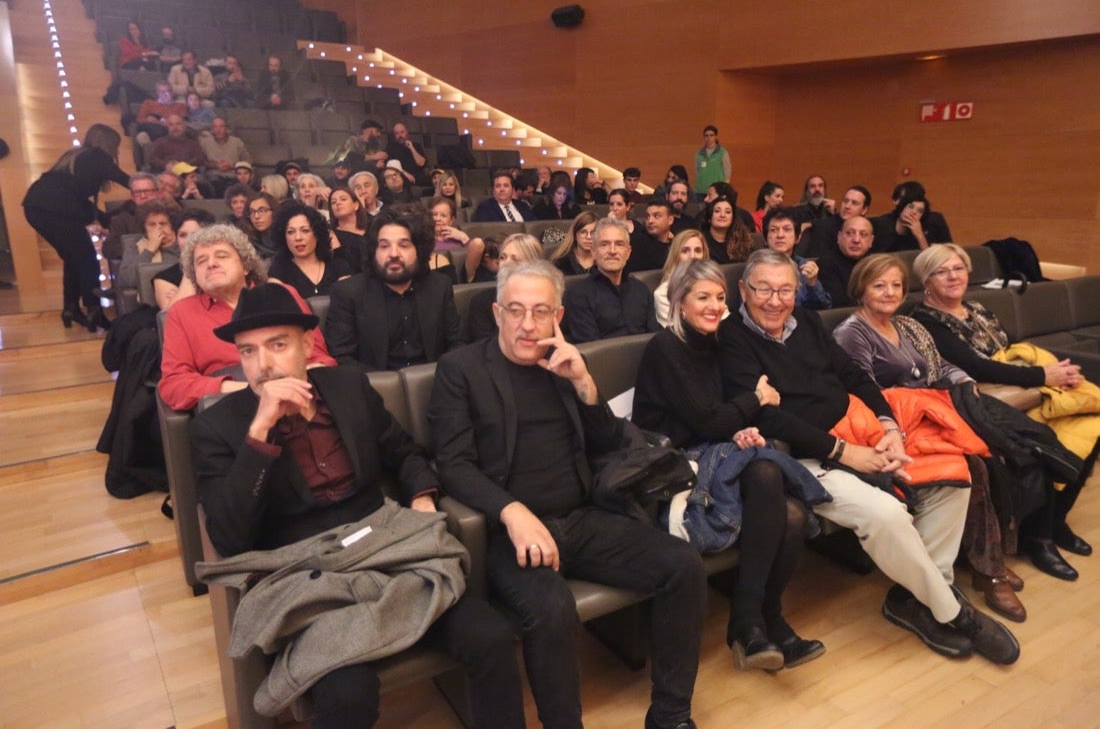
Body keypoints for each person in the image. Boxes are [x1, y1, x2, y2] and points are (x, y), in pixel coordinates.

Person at [191, 282, 526, 729]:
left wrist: (423, 499)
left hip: (386, 548)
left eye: (277, 345)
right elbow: (229, 538)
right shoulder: (218, 426)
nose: (264, 365)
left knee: (490, 637)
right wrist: (260, 433)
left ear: (307, 344)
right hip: (308, 576)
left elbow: (403, 451)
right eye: (248, 352)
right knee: (347, 696)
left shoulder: (347, 387)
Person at [428, 259, 707, 729]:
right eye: (515, 311)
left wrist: (584, 384)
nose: (528, 324)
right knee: (551, 608)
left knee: (684, 566)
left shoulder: (565, 361)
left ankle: (671, 714)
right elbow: (453, 465)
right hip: (507, 535)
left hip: (580, 516)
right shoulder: (460, 369)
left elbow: (607, 443)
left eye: (540, 311)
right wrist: (512, 512)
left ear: (558, 316)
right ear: (497, 314)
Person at [717, 248, 1019, 665]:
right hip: (806, 459)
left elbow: (853, 375)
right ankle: (956, 613)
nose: (775, 300)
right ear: (743, 290)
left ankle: (915, 600)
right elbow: (768, 417)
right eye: (763, 289)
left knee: (957, 475)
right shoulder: (732, 336)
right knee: (886, 515)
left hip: (859, 431)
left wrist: (890, 426)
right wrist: (846, 453)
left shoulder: (804, 321)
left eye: (785, 289)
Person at [635, 259, 827, 669]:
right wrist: (755, 400)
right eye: (702, 297)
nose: (713, 306)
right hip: (671, 473)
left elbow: (716, 420)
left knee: (789, 513)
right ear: (679, 302)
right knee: (767, 473)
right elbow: (706, 419)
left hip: (709, 454)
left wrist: (738, 430)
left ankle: (758, 621)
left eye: (720, 298)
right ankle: (753, 623)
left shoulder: (715, 343)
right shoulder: (666, 347)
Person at [832, 254, 1027, 622]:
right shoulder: (851, 333)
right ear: (860, 289)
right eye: (879, 285)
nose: (889, 292)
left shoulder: (904, 325)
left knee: (992, 455)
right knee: (970, 465)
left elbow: (937, 365)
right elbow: (863, 392)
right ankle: (989, 571)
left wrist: (960, 379)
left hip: (931, 413)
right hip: (892, 429)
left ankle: (985, 558)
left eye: (896, 285)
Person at [910, 244, 1095, 579]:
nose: (953, 276)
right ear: (926, 281)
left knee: (1089, 422)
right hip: (983, 401)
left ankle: (1056, 522)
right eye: (942, 271)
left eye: (959, 268)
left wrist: (1050, 374)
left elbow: (1007, 351)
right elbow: (977, 367)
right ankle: (1038, 539)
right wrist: (1043, 376)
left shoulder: (978, 309)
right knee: (1045, 442)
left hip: (1020, 390)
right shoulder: (924, 320)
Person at [159, 223, 335, 412]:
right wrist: (252, 389)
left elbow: (322, 359)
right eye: (201, 261)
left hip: (297, 395)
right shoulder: (181, 312)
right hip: (229, 404)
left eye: (221, 256)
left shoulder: (282, 294)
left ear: (245, 265)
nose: (210, 264)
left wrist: (288, 384)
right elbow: (173, 384)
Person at [324, 211, 462, 371]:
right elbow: (342, 357)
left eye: (404, 245)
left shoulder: (440, 286)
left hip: (435, 382)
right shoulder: (346, 293)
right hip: (373, 387)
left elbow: (456, 344)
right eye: (384, 246)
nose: (394, 254)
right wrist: (389, 386)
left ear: (419, 251)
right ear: (373, 252)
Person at [22, 124, 129, 331]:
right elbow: (127, 180)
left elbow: (76, 199)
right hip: (56, 209)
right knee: (88, 258)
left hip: (36, 206)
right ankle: (94, 312)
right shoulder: (98, 157)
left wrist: (106, 218)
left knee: (73, 257)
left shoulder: (76, 155)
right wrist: (153, 186)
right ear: (109, 144)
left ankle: (71, 308)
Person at [563, 217, 659, 342]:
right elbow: (593, 350)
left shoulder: (642, 290)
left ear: (628, 252)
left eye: (619, 244)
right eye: (604, 245)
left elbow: (654, 337)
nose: (612, 251)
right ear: (593, 252)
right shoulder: (578, 295)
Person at [466, 234, 545, 342]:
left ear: (533, 266)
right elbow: (484, 348)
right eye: (503, 257)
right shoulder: (481, 302)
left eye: (515, 259)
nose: (505, 264)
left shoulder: (547, 301)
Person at [268, 203, 352, 298]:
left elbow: (348, 304)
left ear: (317, 234)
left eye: (305, 230)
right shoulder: (279, 271)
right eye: (291, 232)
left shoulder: (339, 267)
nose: (298, 238)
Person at [762, 207, 830, 309]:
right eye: (773, 230)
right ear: (765, 239)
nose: (780, 235)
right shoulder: (755, 268)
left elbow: (823, 308)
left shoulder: (805, 267)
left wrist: (812, 284)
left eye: (787, 229)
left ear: (797, 238)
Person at [152, 207, 216, 310]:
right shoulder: (164, 278)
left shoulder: (220, 267)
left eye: (196, 235)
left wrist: (186, 297)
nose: (189, 241)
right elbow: (173, 313)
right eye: (182, 235)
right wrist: (190, 264)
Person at [117, 200, 180, 294]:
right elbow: (126, 280)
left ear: (172, 225)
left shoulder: (183, 241)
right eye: (152, 224)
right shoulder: (136, 246)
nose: (158, 228)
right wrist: (149, 250)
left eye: (163, 224)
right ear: (144, 227)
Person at [653, 230, 709, 327]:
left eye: (698, 251)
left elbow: (725, 322)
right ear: (676, 256)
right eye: (685, 251)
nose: (692, 256)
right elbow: (677, 332)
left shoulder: (713, 286)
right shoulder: (663, 294)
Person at [104, 173, 166, 259]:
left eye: (147, 191)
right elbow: (109, 249)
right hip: (137, 263)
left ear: (157, 193)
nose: (143, 196)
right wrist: (143, 247)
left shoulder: (169, 214)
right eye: (137, 192)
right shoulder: (121, 220)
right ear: (132, 196)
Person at [801, 185, 872, 260]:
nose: (847, 206)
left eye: (854, 203)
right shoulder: (823, 227)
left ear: (864, 210)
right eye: (845, 201)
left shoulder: (869, 228)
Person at [818, 215, 875, 307]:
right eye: (850, 233)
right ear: (839, 237)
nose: (856, 240)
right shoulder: (826, 264)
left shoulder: (876, 264)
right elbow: (840, 306)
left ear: (871, 241)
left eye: (863, 235)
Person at [429, 197, 486, 283]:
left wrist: (464, 238)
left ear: (452, 220)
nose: (438, 219)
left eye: (443, 215)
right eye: (434, 215)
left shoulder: (461, 238)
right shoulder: (423, 240)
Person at [199, 117, 251, 196]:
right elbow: (200, 161)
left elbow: (248, 161)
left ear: (226, 129)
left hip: (233, 177)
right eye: (215, 127)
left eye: (221, 126)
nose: (218, 130)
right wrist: (214, 165)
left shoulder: (237, 142)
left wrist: (232, 165)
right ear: (212, 130)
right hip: (213, 177)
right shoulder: (205, 142)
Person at [626, 199, 676, 274]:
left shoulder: (676, 245)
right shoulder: (636, 242)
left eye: (656, 216)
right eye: (647, 216)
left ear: (670, 220)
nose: (650, 221)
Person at [701, 195, 753, 264]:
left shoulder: (743, 241)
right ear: (709, 217)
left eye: (727, 212)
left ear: (733, 218)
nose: (722, 215)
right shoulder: (700, 241)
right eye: (717, 211)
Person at [328, 186, 367, 272]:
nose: (338, 203)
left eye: (343, 199)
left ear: (356, 205)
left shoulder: (371, 229)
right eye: (333, 202)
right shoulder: (330, 236)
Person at [471, 170, 536, 222]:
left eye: (506, 186)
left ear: (513, 189)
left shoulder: (523, 206)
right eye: (498, 186)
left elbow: (533, 226)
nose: (502, 189)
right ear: (493, 189)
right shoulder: (484, 208)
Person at [549, 211, 598, 277]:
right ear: (575, 235)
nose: (588, 237)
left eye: (593, 233)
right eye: (583, 232)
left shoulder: (605, 261)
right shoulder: (561, 262)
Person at [694, 125, 731, 199]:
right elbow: (697, 170)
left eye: (711, 135)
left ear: (715, 137)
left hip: (717, 191)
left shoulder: (722, 152)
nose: (709, 138)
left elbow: (727, 170)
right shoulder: (699, 153)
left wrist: (724, 188)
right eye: (706, 136)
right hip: (701, 190)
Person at [245, 193, 279, 258]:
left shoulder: (286, 240)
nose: (256, 216)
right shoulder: (247, 245)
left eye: (262, 210)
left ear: (273, 211)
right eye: (252, 212)